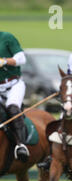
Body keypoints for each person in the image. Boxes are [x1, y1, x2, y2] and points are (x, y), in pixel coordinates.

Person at [0, 31, 29, 162]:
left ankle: (20, 145)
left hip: (14, 84)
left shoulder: (7, 38)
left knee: (12, 108)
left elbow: (22, 58)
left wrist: (5, 61)